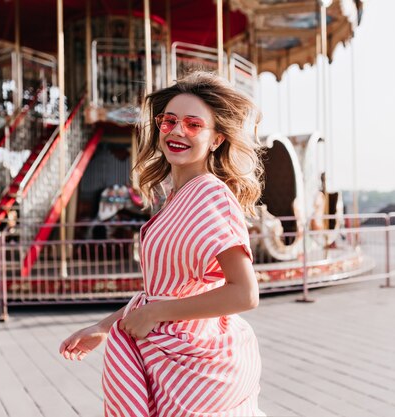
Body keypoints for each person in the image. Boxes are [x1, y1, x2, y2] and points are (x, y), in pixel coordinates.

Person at [60, 71, 266, 416]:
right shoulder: (175, 196)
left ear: (216, 139)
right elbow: (159, 292)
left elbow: (245, 293)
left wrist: (156, 313)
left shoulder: (210, 195)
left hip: (195, 367)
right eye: (168, 121)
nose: (176, 131)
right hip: (167, 356)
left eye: (193, 124)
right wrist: (103, 327)